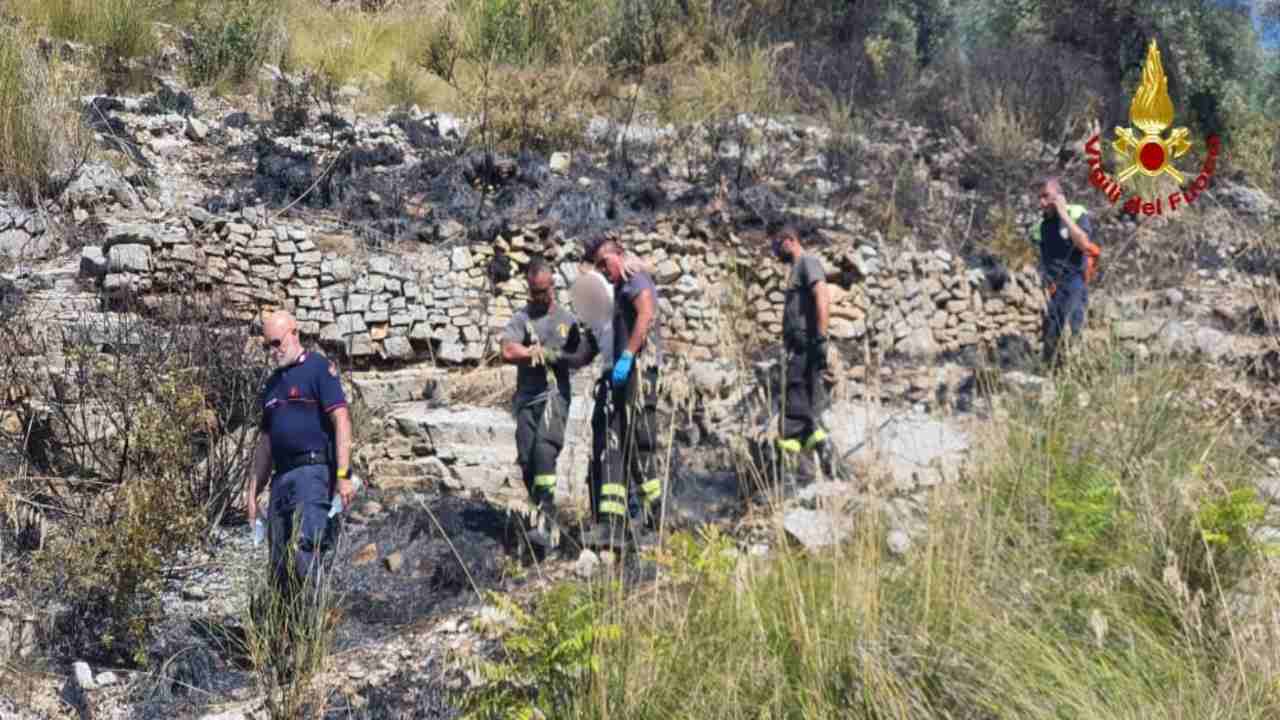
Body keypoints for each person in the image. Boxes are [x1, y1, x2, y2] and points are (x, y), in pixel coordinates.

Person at [246, 310, 354, 608]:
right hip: (281, 479)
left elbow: (341, 420)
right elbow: (265, 443)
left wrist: (344, 475)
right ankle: (287, 640)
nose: (273, 350)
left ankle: (316, 632)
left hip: (312, 472)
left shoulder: (318, 368)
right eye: (267, 345)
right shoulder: (271, 385)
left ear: (294, 334)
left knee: (305, 551)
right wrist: (252, 492)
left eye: (277, 342)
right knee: (279, 561)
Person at [499, 258, 599, 550]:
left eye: (549, 289)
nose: (546, 296)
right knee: (528, 458)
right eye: (539, 292)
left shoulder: (565, 320)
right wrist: (530, 351)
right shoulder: (522, 318)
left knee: (545, 449)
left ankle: (548, 519)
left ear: (553, 285)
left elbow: (580, 354)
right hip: (527, 398)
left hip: (556, 395)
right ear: (531, 290)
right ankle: (540, 510)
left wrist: (559, 355)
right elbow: (507, 348)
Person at [580, 235, 668, 549]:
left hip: (639, 372)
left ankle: (656, 520)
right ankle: (612, 524)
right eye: (599, 267)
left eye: (606, 263)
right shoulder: (619, 286)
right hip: (624, 376)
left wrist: (629, 355)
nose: (604, 270)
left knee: (642, 442)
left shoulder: (633, 277)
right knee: (615, 443)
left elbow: (646, 313)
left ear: (620, 255)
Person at [771, 225, 838, 486]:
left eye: (777, 244)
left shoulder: (807, 263)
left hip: (804, 348)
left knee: (792, 412)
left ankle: (789, 479)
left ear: (789, 240)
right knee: (807, 411)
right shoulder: (797, 268)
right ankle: (820, 468)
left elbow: (821, 296)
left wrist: (820, 339)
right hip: (799, 348)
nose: (775, 251)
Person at [1030, 177, 1100, 368]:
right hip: (1053, 290)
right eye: (1039, 198)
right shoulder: (1043, 226)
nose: (1042, 203)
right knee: (1051, 341)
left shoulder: (1076, 215)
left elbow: (1084, 244)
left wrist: (1063, 213)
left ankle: (1077, 379)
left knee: (1071, 333)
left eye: (1046, 196)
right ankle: (1053, 382)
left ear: (1059, 197)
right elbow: (1045, 258)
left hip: (1074, 284)